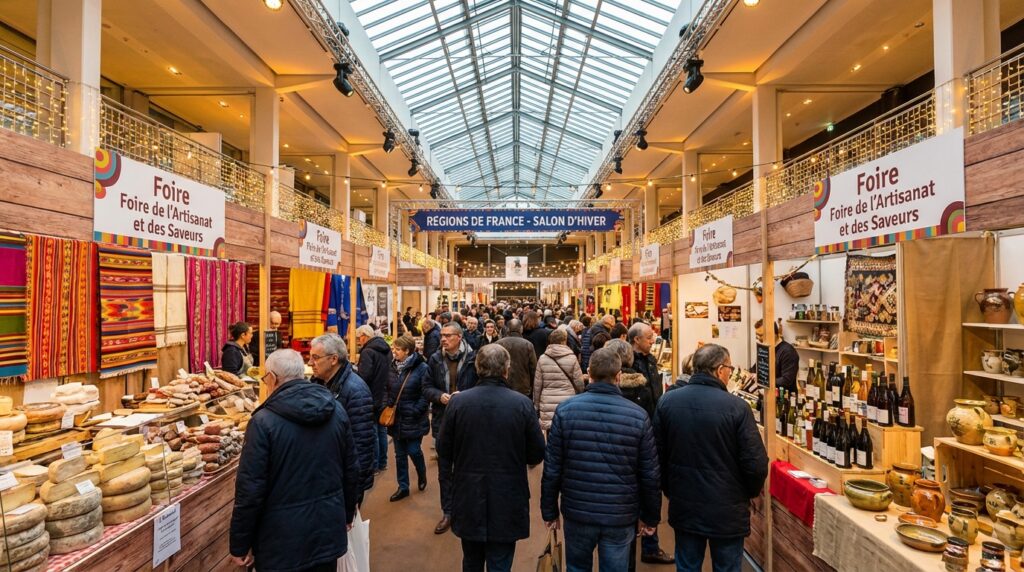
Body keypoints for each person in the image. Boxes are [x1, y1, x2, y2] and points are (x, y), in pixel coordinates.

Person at [230, 349, 359, 572]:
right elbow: (351, 468)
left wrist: (240, 543)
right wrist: (347, 514)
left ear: (272, 378)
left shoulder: (263, 421)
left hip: (281, 540)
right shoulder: (336, 409)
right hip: (327, 529)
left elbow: (250, 490)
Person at [541, 348, 661, 572]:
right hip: (620, 513)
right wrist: (650, 516)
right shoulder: (637, 416)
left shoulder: (566, 411)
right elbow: (649, 474)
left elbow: (553, 467)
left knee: (576, 567)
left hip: (578, 510)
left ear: (589, 372)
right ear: (618, 377)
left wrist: (549, 510)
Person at [654, 344, 769, 572]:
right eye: (729, 367)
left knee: (687, 565)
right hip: (727, 509)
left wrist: (669, 489)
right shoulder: (737, 408)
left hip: (684, 502)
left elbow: (657, 455)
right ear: (719, 370)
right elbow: (755, 463)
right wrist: (751, 492)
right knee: (726, 567)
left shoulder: (668, 402)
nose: (730, 372)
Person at [436, 344, 545, 572]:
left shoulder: (458, 402)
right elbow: (536, 452)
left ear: (477, 368)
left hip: (468, 492)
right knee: (501, 561)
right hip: (508, 493)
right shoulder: (521, 404)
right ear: (506, 370)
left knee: (471, 559)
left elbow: (444, 449)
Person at [424, 322, 479, 535]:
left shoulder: (474, 359)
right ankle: (448, 511)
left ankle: (468, 509)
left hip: (468, 422)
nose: (443, 339)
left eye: (448, 335)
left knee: (468, 468)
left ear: (459, 337)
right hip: (443, 421)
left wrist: (465, 398)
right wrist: (439, 396)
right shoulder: (435, 359)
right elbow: (425, 387)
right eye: (442, 336)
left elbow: (482, 386)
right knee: (444, 471)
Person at [309, 333, 376, 503]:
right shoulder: (318, 383)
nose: (310, 363)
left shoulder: (356, 390)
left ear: (333, 359)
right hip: (327, 473)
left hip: (344, 480)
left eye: (315, 358)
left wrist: (355, 485)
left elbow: (362, 443)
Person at [387, 335, 430, 501]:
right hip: (396, 418)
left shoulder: (422, 368)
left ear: (407, 351)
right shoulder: (391, 367)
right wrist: (387, 404)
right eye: (394, 348)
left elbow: (425, 393)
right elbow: (386, 388)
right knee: (399, 455)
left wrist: (416, 410)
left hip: (413, 417)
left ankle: (421, 472)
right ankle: (403, 486)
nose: (394, 352)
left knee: (413, 450)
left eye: (397, 349)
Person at [356, 324, 393, 475]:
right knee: (382, 430)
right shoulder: (386, 349)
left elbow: (364, 376)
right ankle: (383, 462)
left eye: (359, 337)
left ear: (365, 336)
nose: (358, 341)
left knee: (373, 432)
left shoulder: (367, 352)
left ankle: (375, 465)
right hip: (384, 393)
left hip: (371, 394)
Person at [533, 328, 583, 431]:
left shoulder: (542, 358)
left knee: (550, 432)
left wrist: (536, 404)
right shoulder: (572, 358)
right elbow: (579, 383)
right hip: (568, 401)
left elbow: (537, 385)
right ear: (564, 341)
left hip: (547, 402)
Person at [753, 319, 799, 393]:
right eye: (756, 335)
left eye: (760, 335)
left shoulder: (788, 352)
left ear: (773, 334)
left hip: (783, 398)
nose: (758, 338)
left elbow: (786, 380)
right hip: (766, 394)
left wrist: (764, 381)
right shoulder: (765, 349)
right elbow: (755, 369)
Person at [495, 319, 537, 398]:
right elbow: (533, 368)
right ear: (521, 329)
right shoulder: (528, 344)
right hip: (522, 386)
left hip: (502, 385)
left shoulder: (499, 343)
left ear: (508, 329)